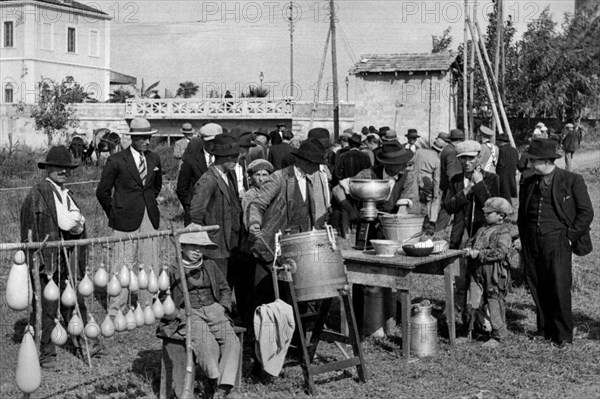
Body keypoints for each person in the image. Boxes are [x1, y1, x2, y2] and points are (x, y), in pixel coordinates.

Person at [22, 146, 104, 369]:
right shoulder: (37, 195)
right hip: (46, 260)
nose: (63, 172)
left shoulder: (67, 195)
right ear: (47, 168)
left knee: (74, 301)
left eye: (67, 168)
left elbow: (76, 225)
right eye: (59, 167)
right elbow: (27, 230)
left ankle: (87, 343)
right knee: (46, 307)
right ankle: (46, 353)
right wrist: (32, 262)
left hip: (69, 257)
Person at [517, 138, 594, 345]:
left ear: (545, 161)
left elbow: (586, 213)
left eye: (533, 161)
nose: (530, 164)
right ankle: (543, 330)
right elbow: (522, 213)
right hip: (532, 242)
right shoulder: (528, 182)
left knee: (559, 287)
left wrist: (569, 237)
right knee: (537, 284)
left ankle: (562, 336)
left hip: (558, 241)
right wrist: (522, 239)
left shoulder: (571, 180)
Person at [156, 228, 240, 399]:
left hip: (214, 310)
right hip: (189, 313)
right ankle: (213, 379)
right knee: (206, 344)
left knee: (232, 342)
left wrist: (222, 308)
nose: (197, 251)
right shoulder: (171, 270)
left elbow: (224, 289)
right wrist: (178, 314)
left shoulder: (209, 264)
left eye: (201, 247)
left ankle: (223, 387)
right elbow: (160, 300)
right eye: (193, 247)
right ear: (183, 247)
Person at [96, 117, 162, 318]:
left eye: (149, 138)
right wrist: (116, 212)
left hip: (148, 217)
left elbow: (155, 187)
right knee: (121, 264)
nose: (147, 142)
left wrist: (148, 204)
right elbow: (102, 192)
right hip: (124, 219)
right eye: (142, 138)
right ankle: (117, 309)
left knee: (150, 263)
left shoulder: (154, 159)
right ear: (132, 138)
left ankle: (147, 305)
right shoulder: (116, 160)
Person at [190, 134, 243, 288]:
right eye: (232, 157)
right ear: (221, 158)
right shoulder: (208, 180)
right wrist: (203, 241)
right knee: (218, 285)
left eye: (236, 157)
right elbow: (196, 213)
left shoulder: (230, 174)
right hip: (215, 244)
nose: (236, 161)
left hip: (231, 241)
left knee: (229, 283)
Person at [464, 197, 514, 347]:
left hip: (494, 272)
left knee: (494, 301)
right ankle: (469, 331)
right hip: (477, 270)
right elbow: (472, 241)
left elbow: (501, 252)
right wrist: (468, 247)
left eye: (489, 213)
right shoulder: (482, 228)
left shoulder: (504, 232)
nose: (485, 215)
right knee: (472, 300)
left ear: (501, 215)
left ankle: (499, 335)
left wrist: (479, 254)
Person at [176, 123, 223, 225]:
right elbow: (181, 189)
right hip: (196, 216)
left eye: (216, 142)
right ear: (202, 141)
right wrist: (190, 206)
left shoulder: (223, 161)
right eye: (209, 142)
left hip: (218, 215)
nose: (213, 145)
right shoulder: (191, 161)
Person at [496, 134, 519, 204]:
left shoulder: (501, 151)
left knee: (503, 196)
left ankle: (507, 211)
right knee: (507, 195)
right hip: (511, 176)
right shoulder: (514, 150)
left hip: (502, 176)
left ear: (501, 141)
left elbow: (501, 164)